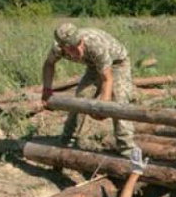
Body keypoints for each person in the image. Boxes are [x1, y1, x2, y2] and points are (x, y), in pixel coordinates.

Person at [41, 23, 136, 156]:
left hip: (117, 63)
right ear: (63, 47)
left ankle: (127, 150)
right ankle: (67, 141)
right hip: (93, 66)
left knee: (119, 104)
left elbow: (107, 79)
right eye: (73, 48)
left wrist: (103, 106)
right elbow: (49, 64)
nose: (79, 49)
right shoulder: (57, 48)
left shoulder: (95, 44)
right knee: (80, 101)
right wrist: (47, 90)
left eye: (80, 44)